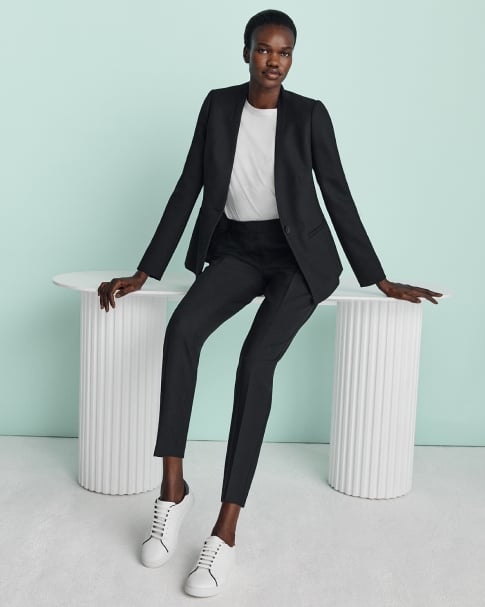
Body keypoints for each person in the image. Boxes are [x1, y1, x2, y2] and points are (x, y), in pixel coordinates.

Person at [97, 9, 442, 598]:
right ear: (246, 52)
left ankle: (225, 531)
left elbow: (337, 194)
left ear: (291, 57)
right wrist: (145, 269)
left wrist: (376, 276)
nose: (273, 60)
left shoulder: (309, 116)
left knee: (255, 365)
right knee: (181, 332)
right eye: (263, 49)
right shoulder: (217, 105)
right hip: (237, 250)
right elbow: (189, 185)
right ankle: (172, 490)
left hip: (298, 260)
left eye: (284, 51)